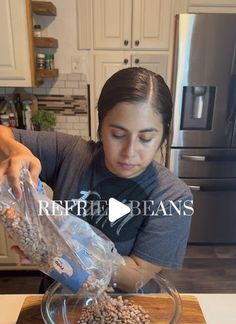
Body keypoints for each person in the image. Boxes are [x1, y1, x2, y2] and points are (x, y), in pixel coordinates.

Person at [0, 67, 192, 293]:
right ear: (100, 128)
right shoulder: (72, 154)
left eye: (146, 138)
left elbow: (136, 276)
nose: (130, 151)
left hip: (124, 311)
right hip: (58, 301)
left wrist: (57, 252)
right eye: (118, 135)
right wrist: (15, 151)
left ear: (163, 136)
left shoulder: (173, 196)